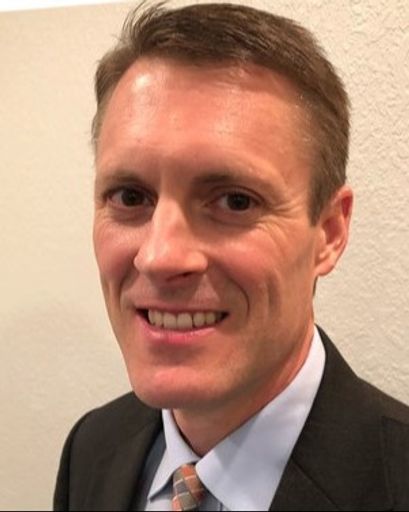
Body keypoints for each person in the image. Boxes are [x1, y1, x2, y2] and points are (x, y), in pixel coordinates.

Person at [53, 2, 409, 510]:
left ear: (329, 232)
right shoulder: (91, 449)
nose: (159, 257)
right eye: (131, 197)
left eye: (235, 201)